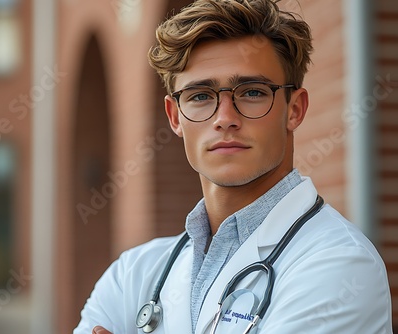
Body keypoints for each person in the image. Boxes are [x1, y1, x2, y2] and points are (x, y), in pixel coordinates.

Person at [74, 0, 393, 333]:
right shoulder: (133, 274)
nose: (225, 118)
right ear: (174, 116)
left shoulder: (340, 264)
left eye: (252, 92)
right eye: (200, 96)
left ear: (295, 109)